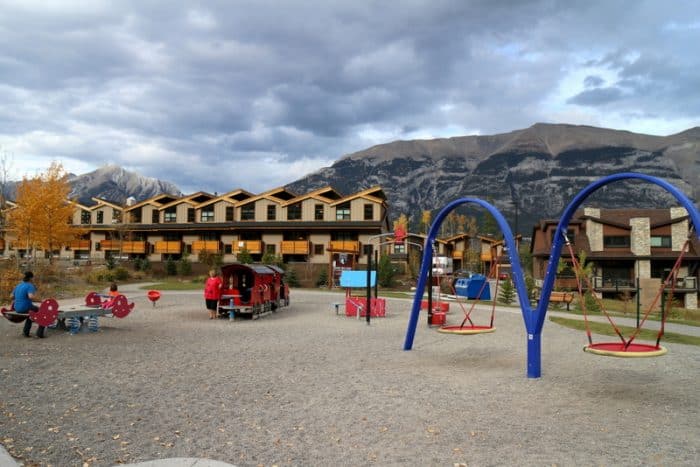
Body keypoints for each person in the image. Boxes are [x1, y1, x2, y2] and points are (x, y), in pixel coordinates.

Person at [11, 271, 45, 338]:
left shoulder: (18, 285)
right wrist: (41, 301)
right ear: (31, 278)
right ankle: (39, 334)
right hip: (25, 308)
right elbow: (31, 296)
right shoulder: (30, 285)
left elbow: (11, 296)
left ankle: (26, 332)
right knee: (43, 312)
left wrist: (19, 297)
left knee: (31, 314)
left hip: (17, 308)